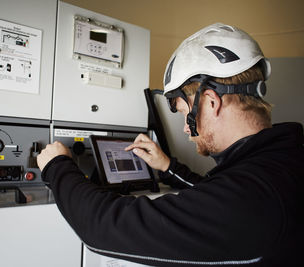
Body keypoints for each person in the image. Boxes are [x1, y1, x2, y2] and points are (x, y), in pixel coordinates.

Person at [37, 23, 303, 266]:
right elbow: (216, 197)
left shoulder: (252, 197)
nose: (187, 128)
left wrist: (57, 165)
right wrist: (167, 167)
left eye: (182, 112)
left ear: (210, 102)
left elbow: (103, 227)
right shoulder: (281, 164)